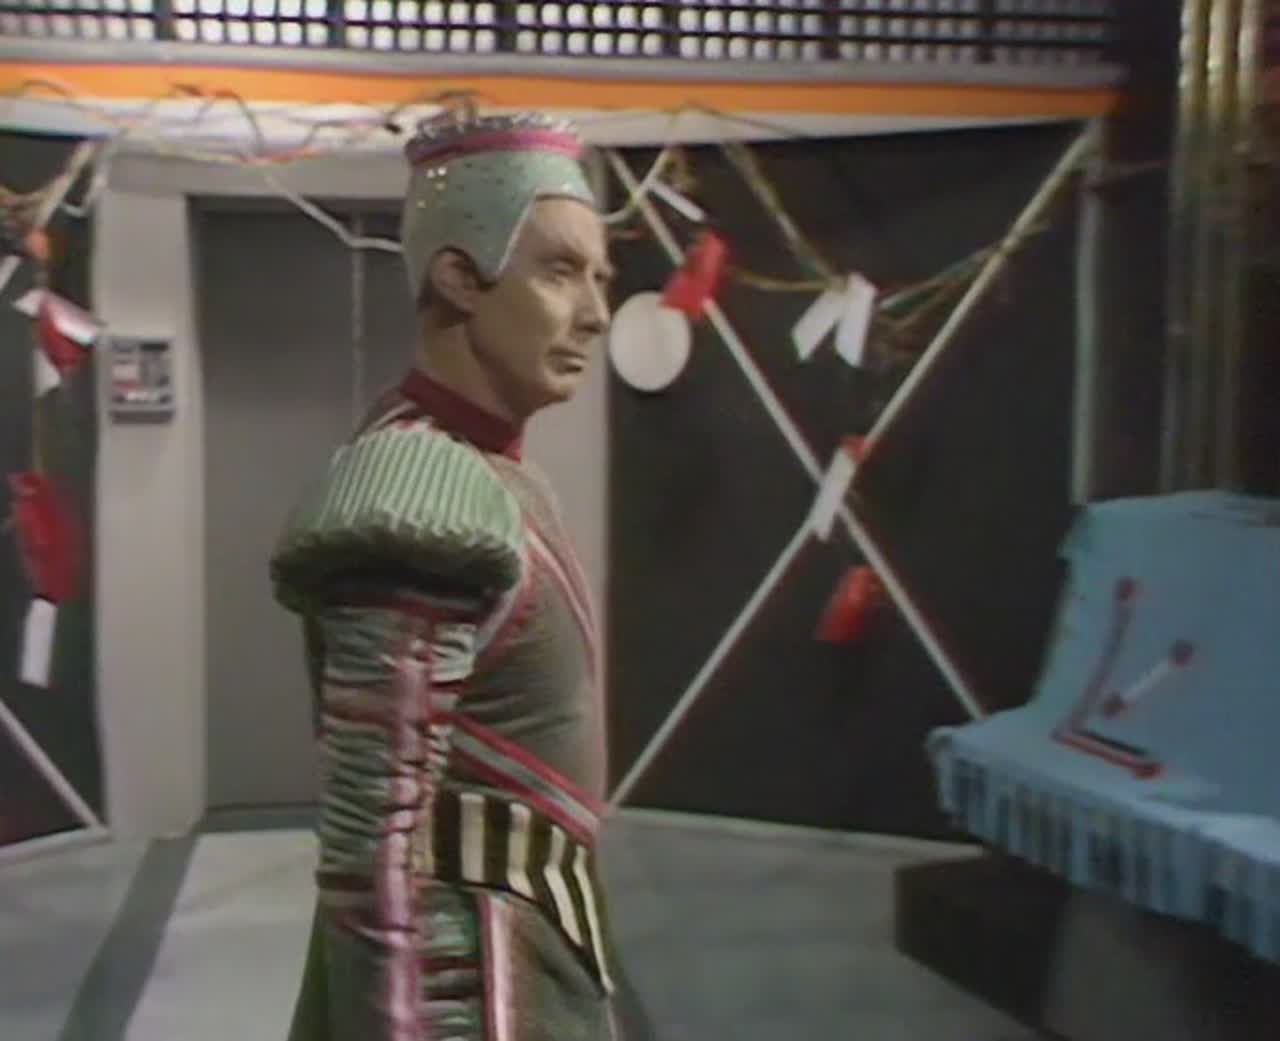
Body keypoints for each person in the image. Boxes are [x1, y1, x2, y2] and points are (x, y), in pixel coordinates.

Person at [270, 109, 618, 1041]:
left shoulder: (496, 474)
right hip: (469, 979)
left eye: (601, 278)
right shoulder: (419, 489)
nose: (595, 312)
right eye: (560, 270)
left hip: (534, 936)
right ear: (460, 277)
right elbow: (372, 857)